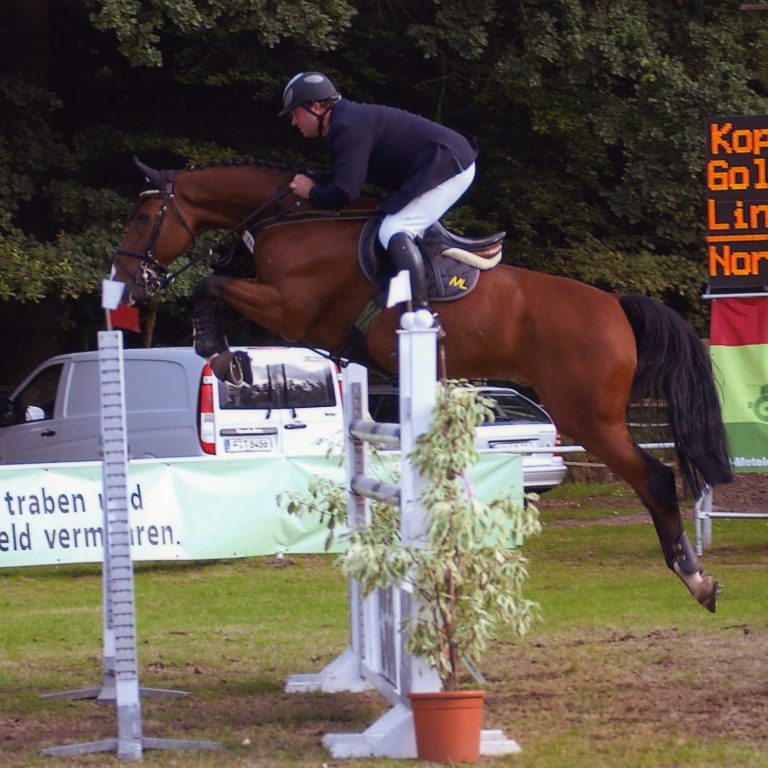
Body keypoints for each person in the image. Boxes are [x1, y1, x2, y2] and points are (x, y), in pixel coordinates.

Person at [279, 71, 477, 314]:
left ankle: (420, 316)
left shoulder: (347, 127)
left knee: (393, 229)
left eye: (294, 113)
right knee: (388, 222)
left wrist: (311, 192)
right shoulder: (346, 122)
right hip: (438, 164)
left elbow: (345, 191)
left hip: (449, 164)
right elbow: (347, 176)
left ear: (316, 107)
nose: (293, 122)